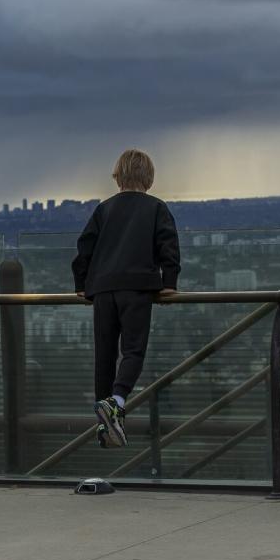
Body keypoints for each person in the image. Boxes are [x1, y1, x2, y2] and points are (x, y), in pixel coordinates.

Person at [72, 149, 181, 448]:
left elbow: (85, 248)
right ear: (149, 178)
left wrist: (82, 284)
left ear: (117, 176)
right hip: (137, 287)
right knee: (133, 350)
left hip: (102, 289)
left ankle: (104, 424)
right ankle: (117, 401)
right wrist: (168, 283)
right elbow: (167, 246)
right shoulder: (156, 208)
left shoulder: (104, 209)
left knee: (104, 355)